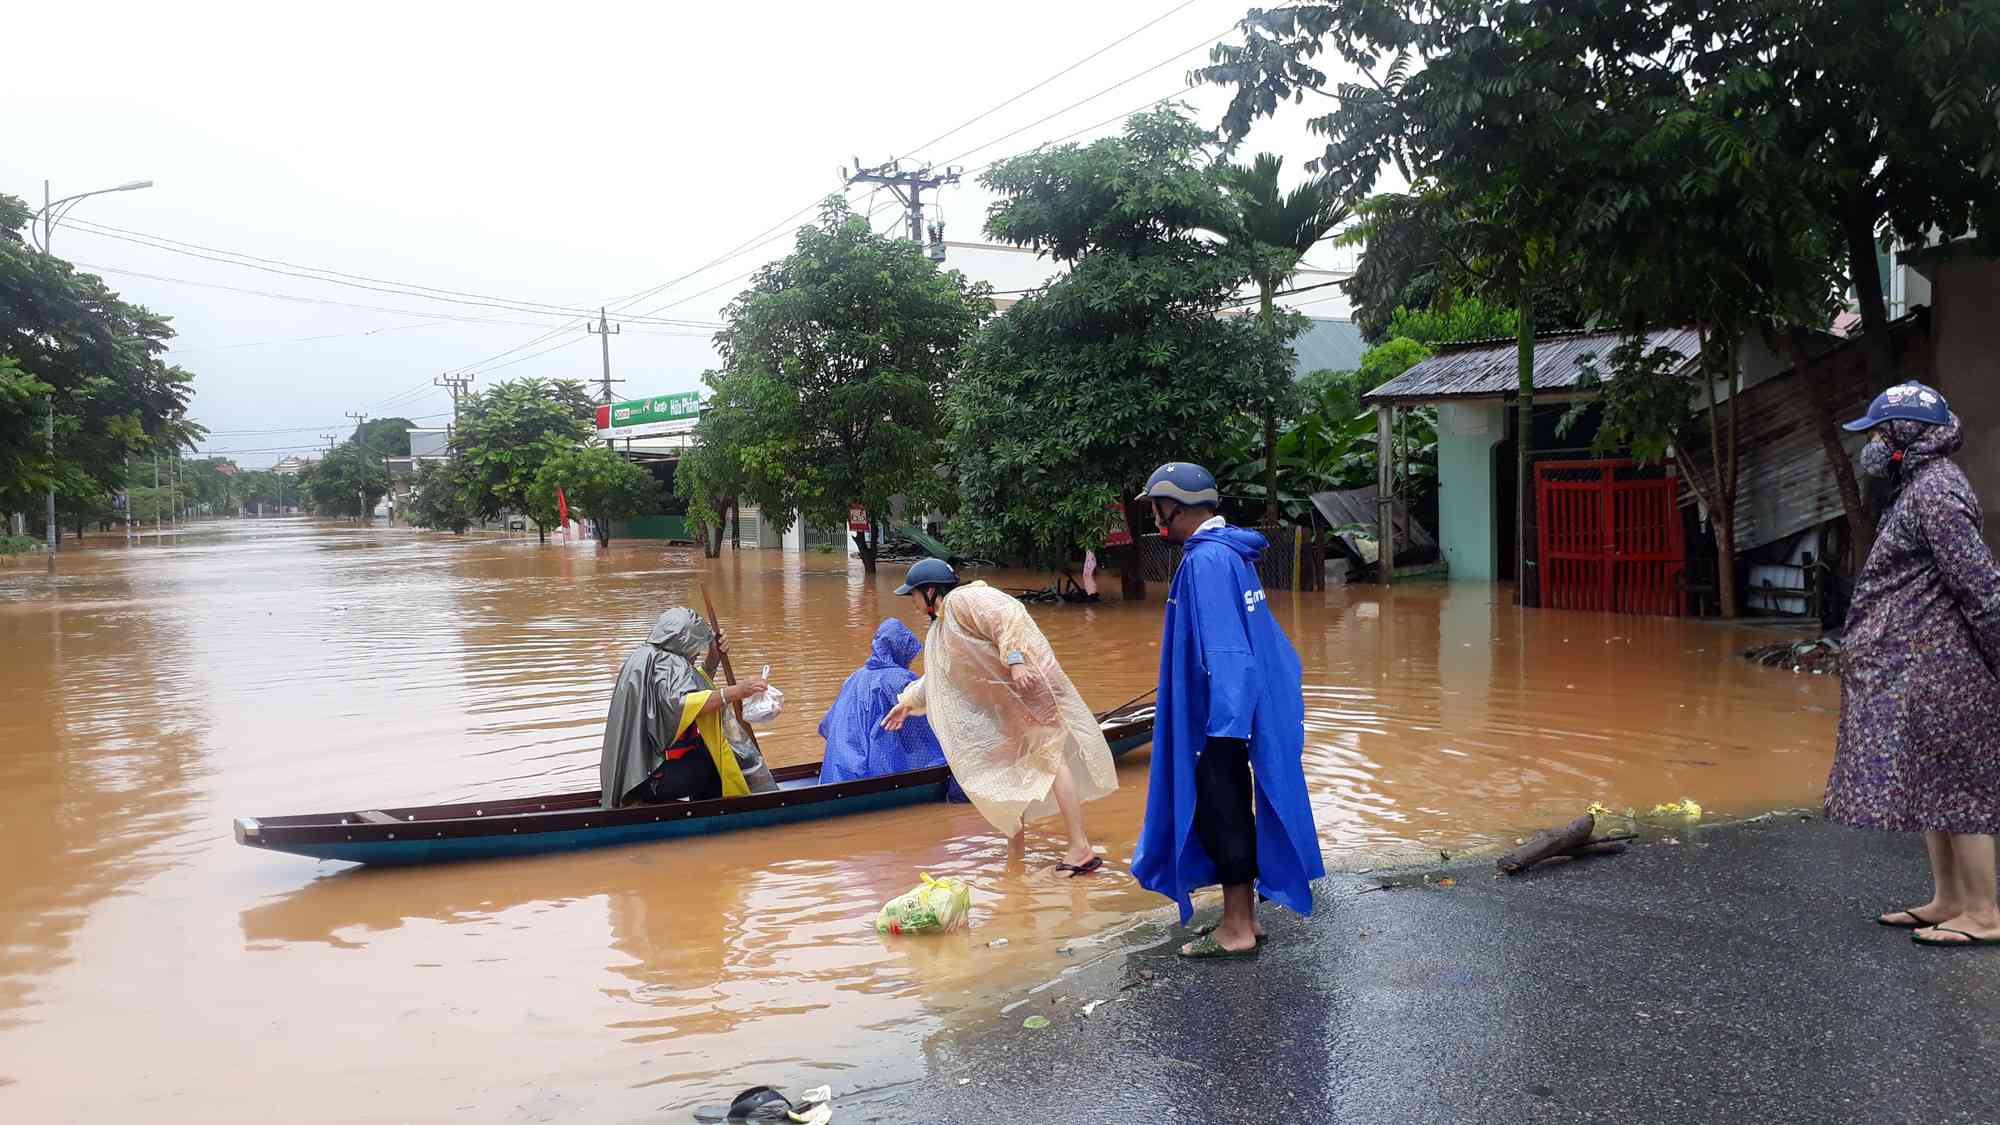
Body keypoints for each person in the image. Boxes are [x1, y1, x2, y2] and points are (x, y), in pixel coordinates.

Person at [1824, 383, 2000, 947]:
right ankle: (1950, 899)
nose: (1871, 444)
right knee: (1933, 783)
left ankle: (1984, 912)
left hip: (1944, 668)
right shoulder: (1919, 487)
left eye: (1878, 433)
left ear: (1904, 436)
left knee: (1961, 786)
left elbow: (1980, 587)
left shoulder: (1937, 492)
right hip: (1918, 667)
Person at [1129, 462, 1324, 958]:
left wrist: (1224, 726)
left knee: (1222, 811)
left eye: (1157, 507)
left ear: (1177, 505)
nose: (1155, 517)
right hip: (1234, 711)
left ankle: (1236, 928)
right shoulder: (1233, 553)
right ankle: (1247, 920)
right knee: (1233, 805)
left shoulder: (1206, 561)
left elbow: (1227, 649)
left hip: (1219, 718)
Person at [882, 558, 1118, 874]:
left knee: (1050, 759)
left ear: (930, 590)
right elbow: (940, 679)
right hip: (1008, 703)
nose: (911, 601)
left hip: (1029, 687)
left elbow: (1008, 617)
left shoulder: (963, 599)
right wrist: (908, 702)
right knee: (1011, 771)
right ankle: (1015, 856)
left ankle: (1080, 847)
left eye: (912, 594)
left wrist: (1016, 660)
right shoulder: (942, 629)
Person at [599, 608, 779, 808]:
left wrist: (713, 659)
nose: (696, 653)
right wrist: (737, 691)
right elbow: (682, 704)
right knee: (724, 759)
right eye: (696, 646)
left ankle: (701, 807)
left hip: (635, 775)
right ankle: (716, 815)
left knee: (705, 751)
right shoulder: (669, 662)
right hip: (653, 778)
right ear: (684, 642)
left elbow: (689, 689)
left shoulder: (644, 656)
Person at [817, 618, 947, 783]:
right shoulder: (901, 679)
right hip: (871, 774)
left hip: (835, 773)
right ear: (901, 651)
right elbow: (928, 729)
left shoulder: (854, 677)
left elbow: (826, 726)